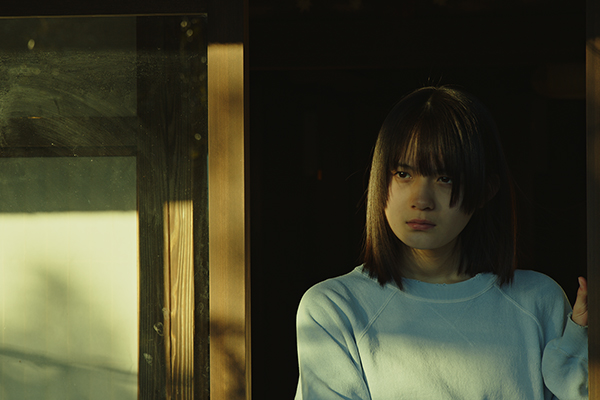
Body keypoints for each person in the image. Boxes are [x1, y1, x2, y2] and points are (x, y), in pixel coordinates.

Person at [294, 86, 588, 399]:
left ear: (485, 191)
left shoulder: (538, 300)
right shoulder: (336, 308)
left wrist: (581, 342)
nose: (421, 200)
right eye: (403, 174)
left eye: (444, 178)